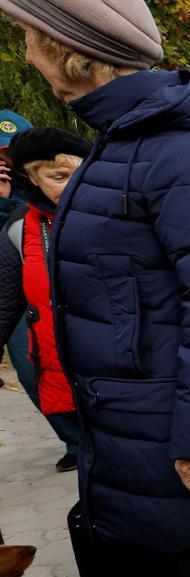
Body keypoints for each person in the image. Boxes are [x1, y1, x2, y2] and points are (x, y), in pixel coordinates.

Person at [2, 0, 190, 577]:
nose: (25, 55)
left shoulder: (184, 154)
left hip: (179, 439)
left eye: (30, 39)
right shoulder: (123, 144)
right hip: (135, 428)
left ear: (70, 50)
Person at [0, 127, 91, 473]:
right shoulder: (21, 227)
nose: (69, 185)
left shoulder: (122, 211)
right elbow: (5, 299)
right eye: (54, 177)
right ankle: (77, 443)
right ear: (33, 180)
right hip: (49, 332)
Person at [0, 109, 33, 392]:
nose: (8, 158)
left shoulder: (47, 178)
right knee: (29, 370)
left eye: (12, 148)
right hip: (11, 294)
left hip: (42, 288)